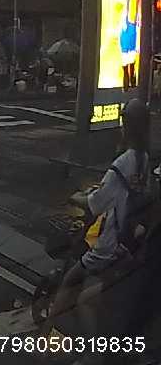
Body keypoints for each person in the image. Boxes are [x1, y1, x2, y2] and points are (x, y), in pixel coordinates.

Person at [48, 98, 152, 321]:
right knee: (102, 293)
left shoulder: (122, 162)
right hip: (130, 240)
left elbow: (95, 203)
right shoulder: (144, 158)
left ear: (127, 127)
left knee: (71, 282)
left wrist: (75, 197)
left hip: (111, 243)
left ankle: (51, 333)